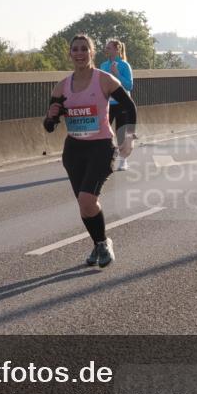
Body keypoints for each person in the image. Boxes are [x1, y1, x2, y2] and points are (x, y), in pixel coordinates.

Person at [44, 35, 137, 268]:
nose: (79, 53)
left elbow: (129, 106)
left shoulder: (104, 80)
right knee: (85, 205)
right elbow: (49, 125)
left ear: (92, 52)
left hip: (101, 147)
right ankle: (99, 243)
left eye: (84, 49)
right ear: (70, 54)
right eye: (75, 49)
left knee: (87, 199)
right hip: (74, 150)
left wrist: (128, 136)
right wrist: (51, 116)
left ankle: (104, 244)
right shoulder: (62, 86)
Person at [100, 39, 134, 171]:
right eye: (106, 47)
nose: (106, 50)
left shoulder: (124, 65)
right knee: (104, 132)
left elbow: (129, 86)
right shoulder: (103, 65)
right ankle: (107, 158)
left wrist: (117, 74)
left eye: (109, 48)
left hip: (122, 104)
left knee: (121, 133)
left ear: (117, 49)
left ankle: (123, 160)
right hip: (107, 104)